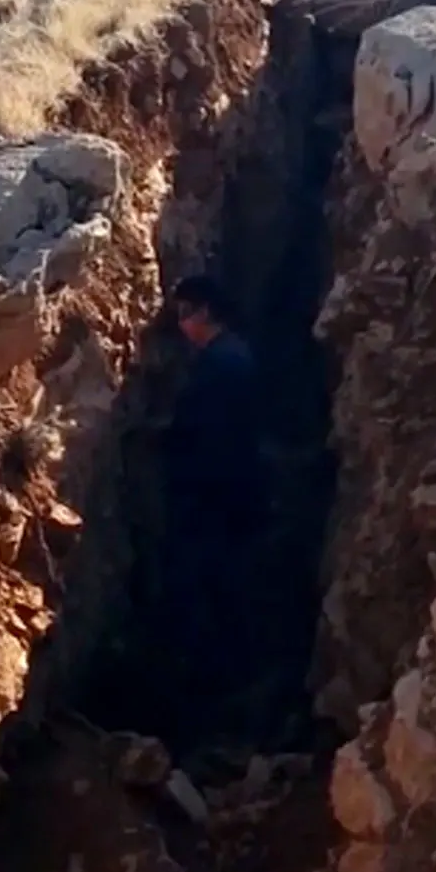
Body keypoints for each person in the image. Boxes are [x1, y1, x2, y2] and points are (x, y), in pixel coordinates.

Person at [159, 275, 268, 749]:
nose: (182, 323)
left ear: (206, 312)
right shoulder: (232, 357)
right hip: (233, 491)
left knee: (212, 587)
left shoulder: (224, 364)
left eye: (186, 312)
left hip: (218, 494)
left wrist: (167, 440)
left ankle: (216, 696)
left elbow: (210, 433)